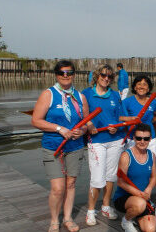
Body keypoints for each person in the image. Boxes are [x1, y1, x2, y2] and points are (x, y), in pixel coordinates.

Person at [31, 60, 88, 232]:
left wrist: (83, 131)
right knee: (57, 188)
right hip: (53, 146)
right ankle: (54, 220)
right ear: (56, 75)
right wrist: (59, 128)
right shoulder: (48, 94)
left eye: (69, 73)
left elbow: (86, 122)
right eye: (62, 73)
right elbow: (36, 120)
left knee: (71, 184)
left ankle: (68, 218)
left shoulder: (80, 97)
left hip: (75, 146)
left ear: (74, 75)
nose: (65, 76)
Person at [82, 64, 125, 225]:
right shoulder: (86, 94)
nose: (106, 79)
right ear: (97, 76)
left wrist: (116, 126)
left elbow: (120, 117)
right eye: (103, 75)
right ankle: (91, 211)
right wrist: (89, 125)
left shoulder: (115, 95)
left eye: (109, 76)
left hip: (115, 141)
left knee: (110, 176)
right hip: (97, 141)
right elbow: (81, 116)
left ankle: (106, 206)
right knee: (97, 178)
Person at [113, 123, 156, 232]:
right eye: (139, 138)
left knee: (150, 229)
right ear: (134, 138)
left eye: (146, 139)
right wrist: (139, 193)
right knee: (140, 204)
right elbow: (120, 182)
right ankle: (126, 220)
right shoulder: (126, 156)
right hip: (124, 197)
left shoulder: (152, 155)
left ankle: (136, 215)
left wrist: (149, 189)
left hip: (143, 197)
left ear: (150, 139)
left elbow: (154, 177)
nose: (142, 141)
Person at [121, 75, 156, 156]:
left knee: (153, 162)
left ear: (148, 89)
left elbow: (155, 117)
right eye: (139, 84)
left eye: (144, 84)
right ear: (134, 87)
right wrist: (130, 119)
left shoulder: (154, 102)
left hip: (150, 138)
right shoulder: (126, 102)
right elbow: (119, 118)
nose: (141, 87)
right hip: (133, 138)